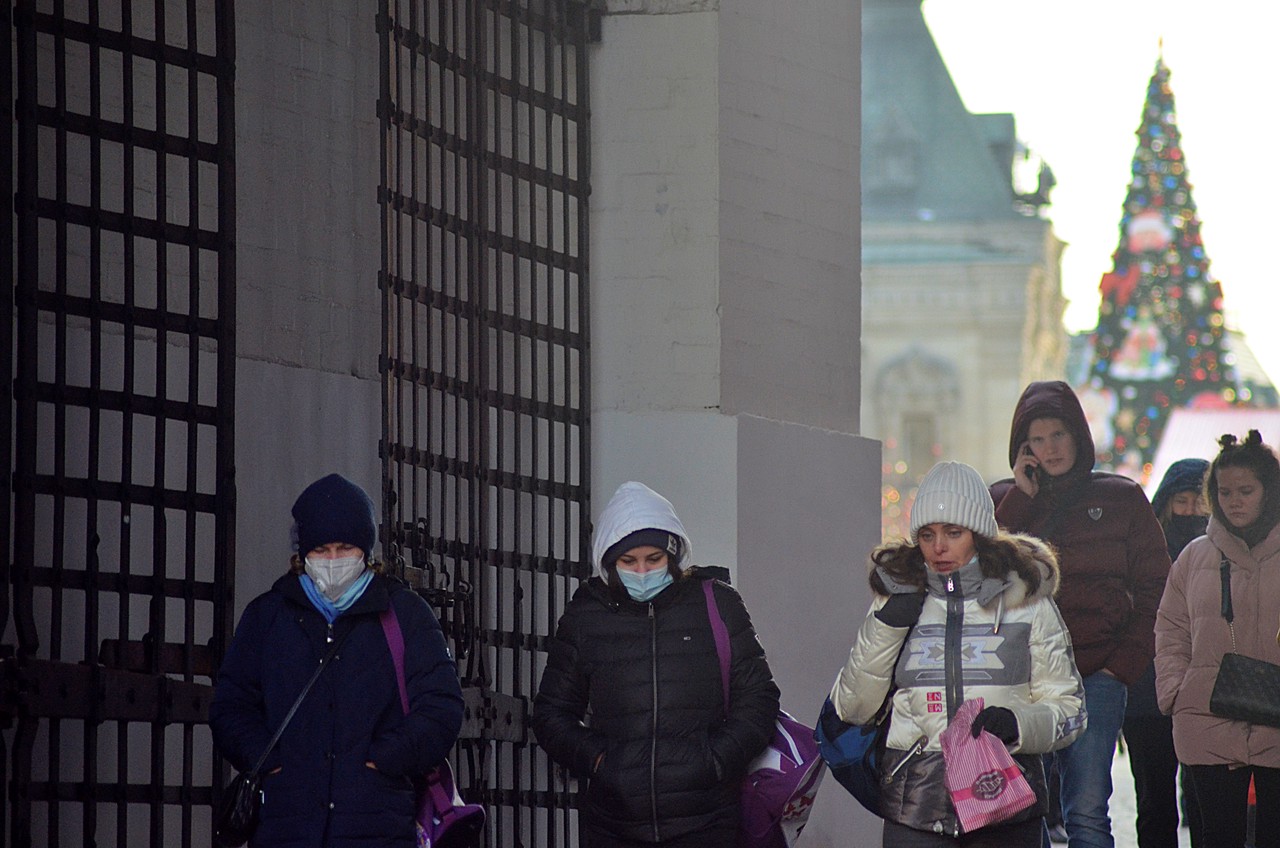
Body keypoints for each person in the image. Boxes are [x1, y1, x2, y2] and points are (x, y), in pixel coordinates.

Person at [832, 461, 1086, 847]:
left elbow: (1071, 711)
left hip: (1005, 803)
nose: (938, 547)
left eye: (953, 532)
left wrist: (1019, 725)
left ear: (979, 534)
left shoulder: (1027, 602)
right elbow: (852, 710)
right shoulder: (894, 601)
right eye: (927, 534)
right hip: (915, 807)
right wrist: (886, 626)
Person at [210, 473, 465, 847]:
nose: (332, 560)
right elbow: (231, 707)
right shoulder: (268, 617)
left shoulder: (405, 615)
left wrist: (388, 759)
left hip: (379, 827)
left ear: (365, 551)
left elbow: (442, 706)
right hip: (287, 827)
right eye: (321, 549)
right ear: (303, 554)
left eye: (345, 547)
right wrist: (270, 762)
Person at [531, 481, 780, 848]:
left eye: (654, 559)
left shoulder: (718, 604)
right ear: (610, 564)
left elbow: (758, 700)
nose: (643, 572)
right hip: (613, 826)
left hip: (708, 823)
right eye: (628, 562)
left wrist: (713, 761)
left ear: (673, 556)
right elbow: (552, 714)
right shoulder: (586, 615)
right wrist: (601, 762)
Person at [989, 381, 1171, 848]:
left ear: (1079, 436)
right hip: (1021, 679)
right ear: (1022, 447)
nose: (1050, 448)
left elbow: (1157, 588)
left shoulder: (1123, 498)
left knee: (1087, 811)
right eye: (1038, 439)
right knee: (1020, 809)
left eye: (1058, 435)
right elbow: (981, 582)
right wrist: (1021, 499)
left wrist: (1123, 666)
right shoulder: (1003, 499)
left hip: (1098, 676)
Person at [1155, 431, 1280, 848]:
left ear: (1270, 490)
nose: (1235, 501)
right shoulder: (1194, 556)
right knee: (1215, 839)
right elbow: (1170, 627)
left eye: (1246, 490)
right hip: (1206, 721)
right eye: (1224, 491)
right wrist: (1176, 691)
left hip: (1277, 724)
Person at [1124, 458, 1209, 848]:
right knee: (1155, 803)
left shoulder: (1229, 555)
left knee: (1206, 803)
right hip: (1148, 694)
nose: (1191, 511)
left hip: (1208, 693)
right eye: (1182, 501)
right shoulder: (1142, 553)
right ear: (1166, 502)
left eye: (1201, 501)